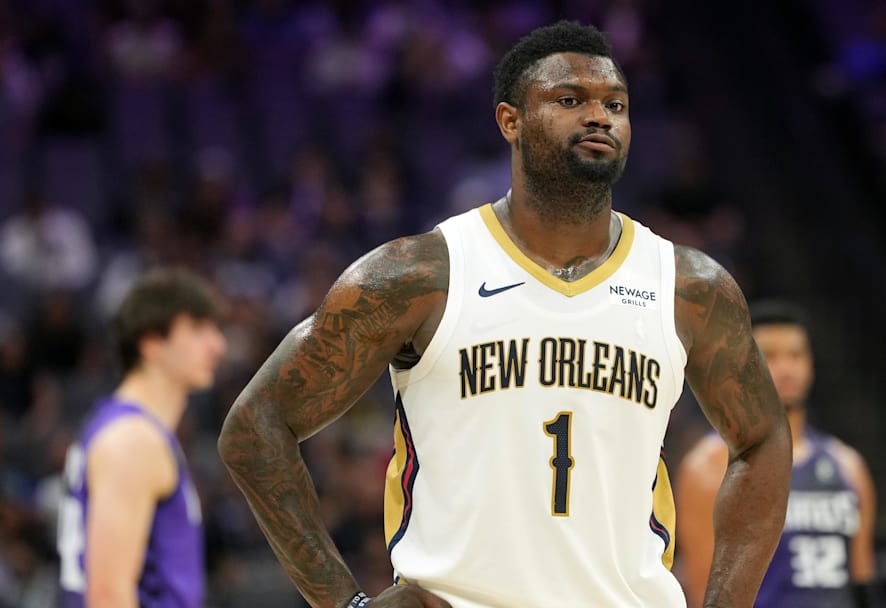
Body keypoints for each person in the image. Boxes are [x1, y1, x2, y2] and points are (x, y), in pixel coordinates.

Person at [218, 20, 791, 608]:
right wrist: (347, 604)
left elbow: (763, 438)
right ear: (509, 121)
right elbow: (255, 428)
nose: (599, 116)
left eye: (615, 104)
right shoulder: (420, 275)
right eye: (570, 100)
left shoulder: (688, 286)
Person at [675, 300, 878, 608]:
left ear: (810, 364)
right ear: (743, 364)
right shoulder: (706, 469)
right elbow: (703, 593)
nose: (786, 368)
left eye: (796, 355)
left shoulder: (848, 465)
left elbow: (863, 580)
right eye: (769, 356)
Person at [56, 268, 227, 607]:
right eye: (197, 329)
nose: (217, 344)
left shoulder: (130, 431)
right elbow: (107, 597)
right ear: (151, 343)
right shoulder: (132, 441)